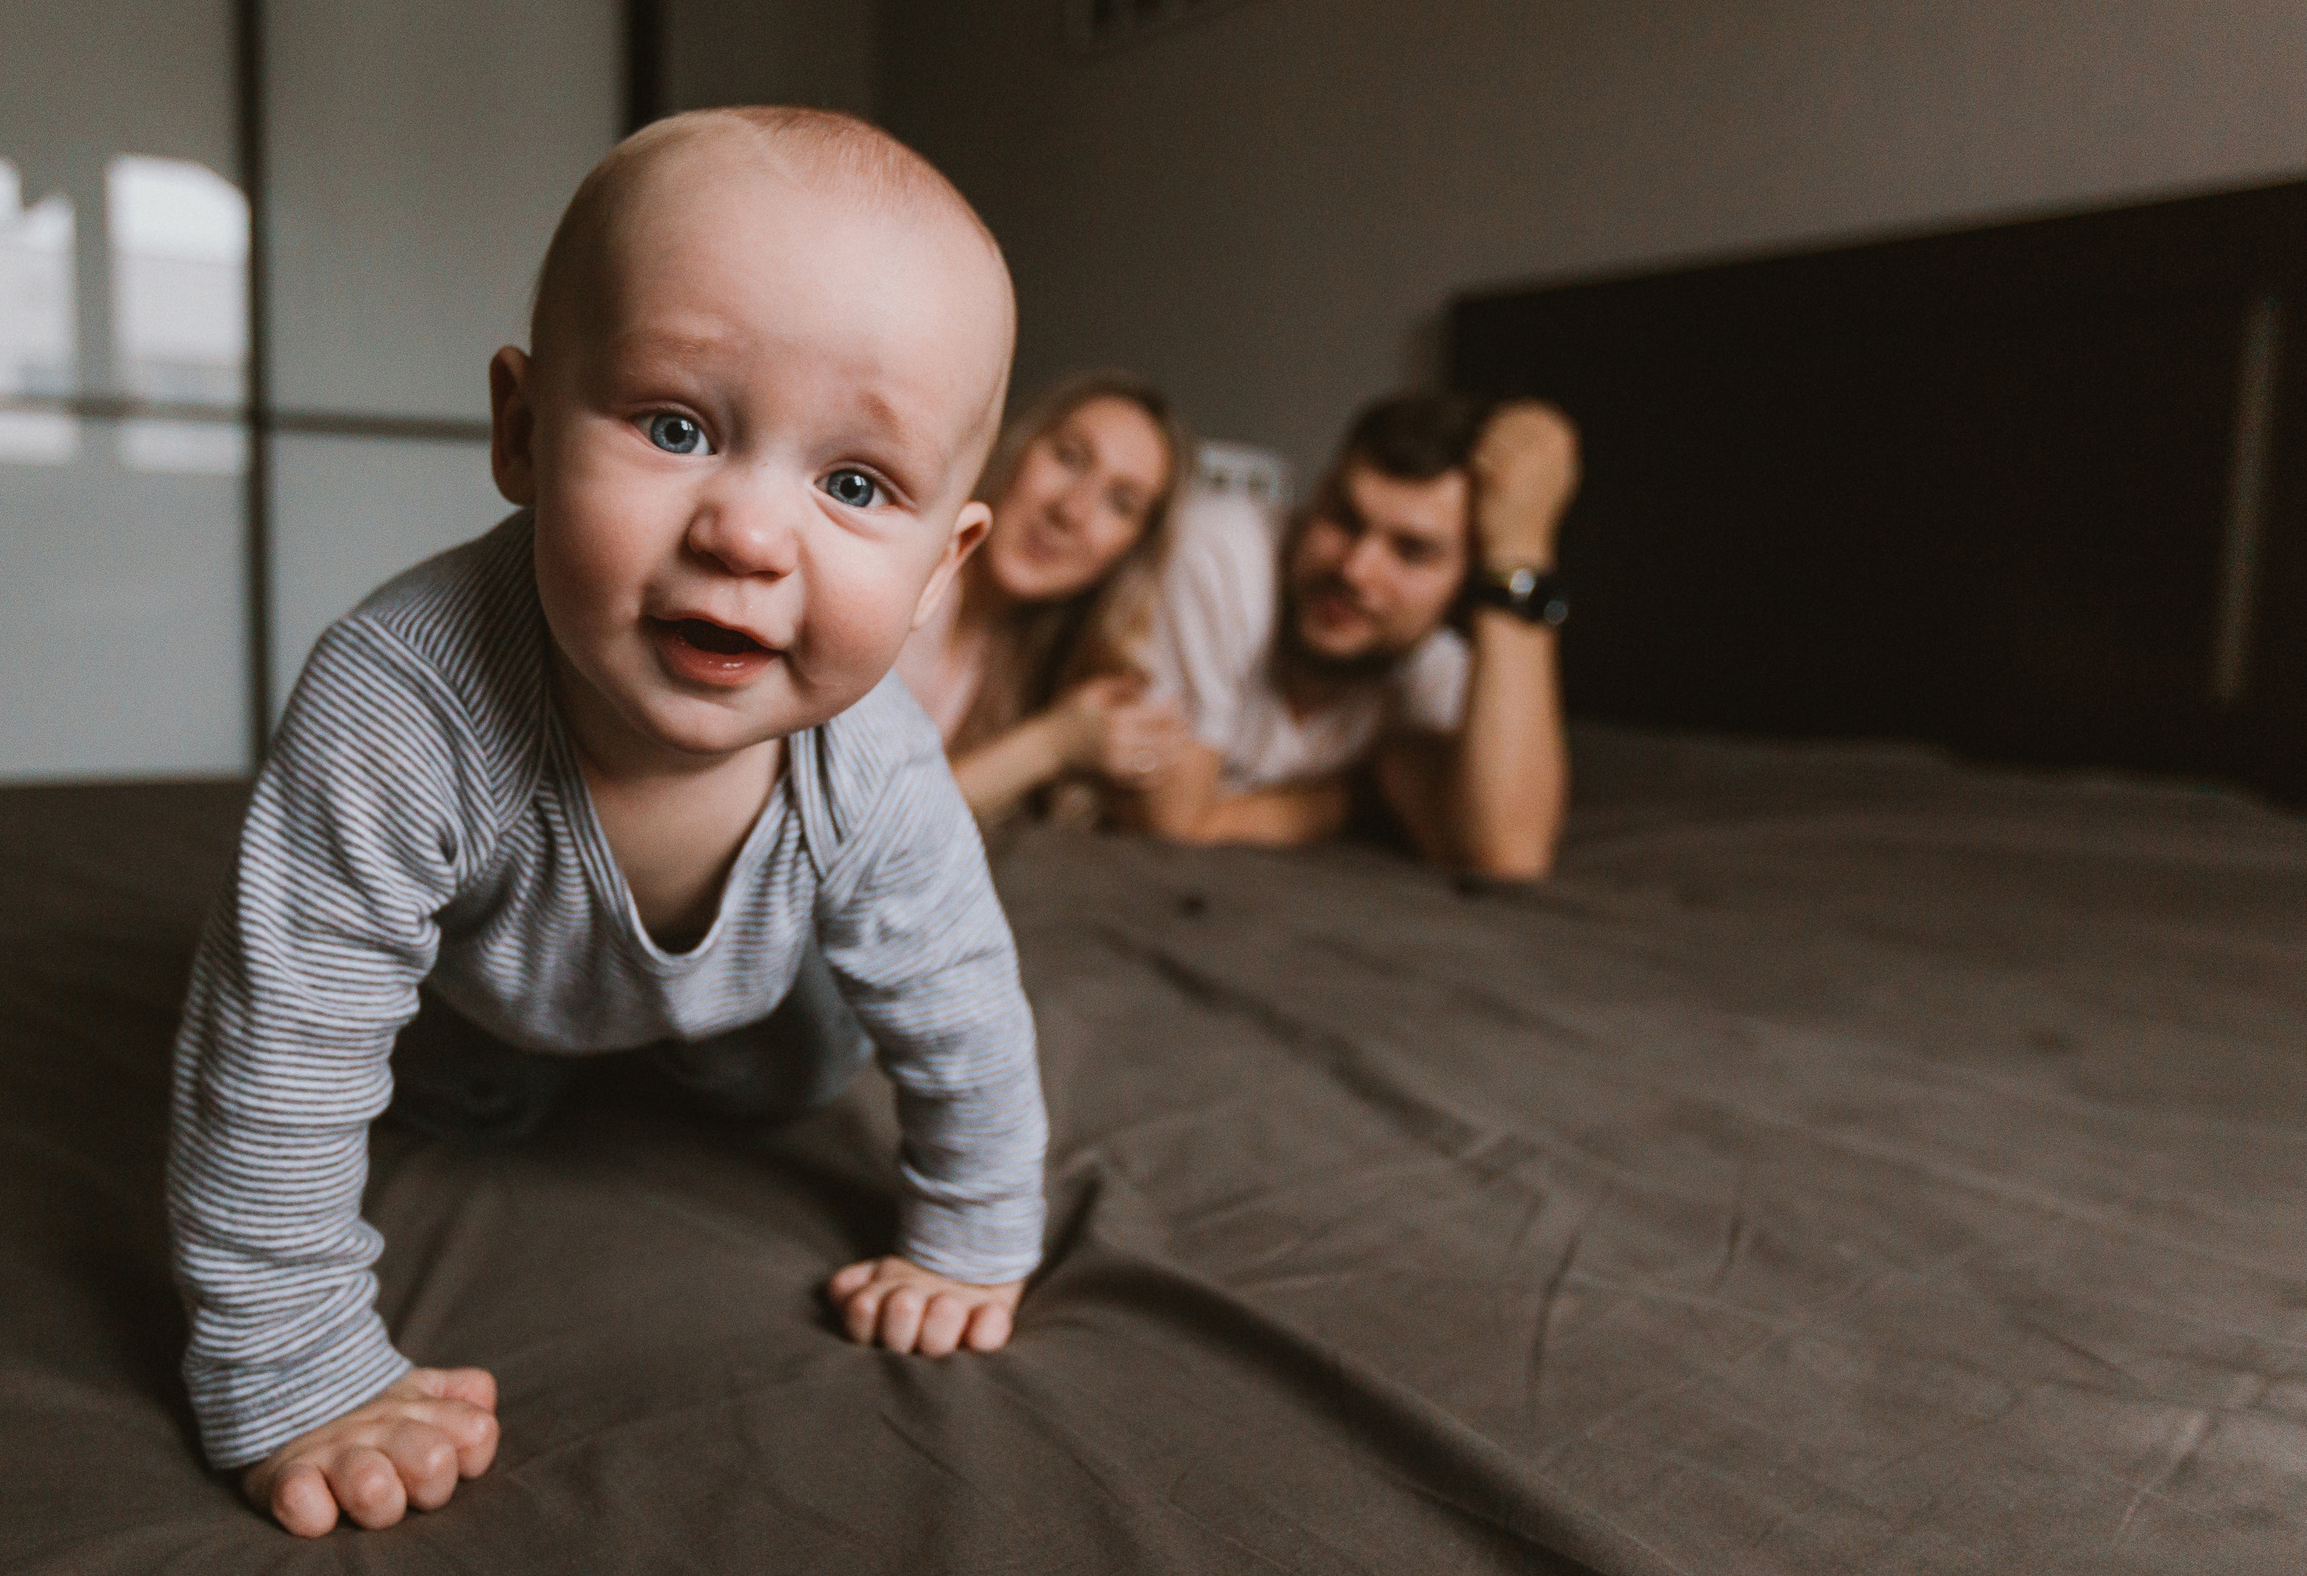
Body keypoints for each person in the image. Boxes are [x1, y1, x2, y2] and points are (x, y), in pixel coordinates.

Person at [166, 108, 1048, 1537]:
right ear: (521, 429)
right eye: (676, 425)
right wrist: (292, 1361)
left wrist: (974, 1232)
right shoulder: (400, 705)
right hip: (480, 992)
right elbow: (278, 1048)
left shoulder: (873, 756)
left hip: (763, 993)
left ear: (942, 564)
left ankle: (720, 1052)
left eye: (855, 483)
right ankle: (516, 1075)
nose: (750, 535)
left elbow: (962, 1002)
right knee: (453, 1090)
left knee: (799, 1061)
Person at [1129, 391, 1579, 879]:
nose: (1355, 570)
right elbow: (1172, 824)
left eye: (1412, 551)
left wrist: (1519, 552)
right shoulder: (1219, 551)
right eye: (1343, 519)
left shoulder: (1442, 664)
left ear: (1468, 580)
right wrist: (1354, 798)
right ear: (1315, 497)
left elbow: (1510, 854)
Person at [895, 372, 1194, 822]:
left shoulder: (1013, 652)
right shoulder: (902, 588)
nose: (1071, 511)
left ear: (1130, 552)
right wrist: (1054, 743)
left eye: (1120, 503)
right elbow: (868, 832)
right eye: (1069, 458)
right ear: (1014, 446)